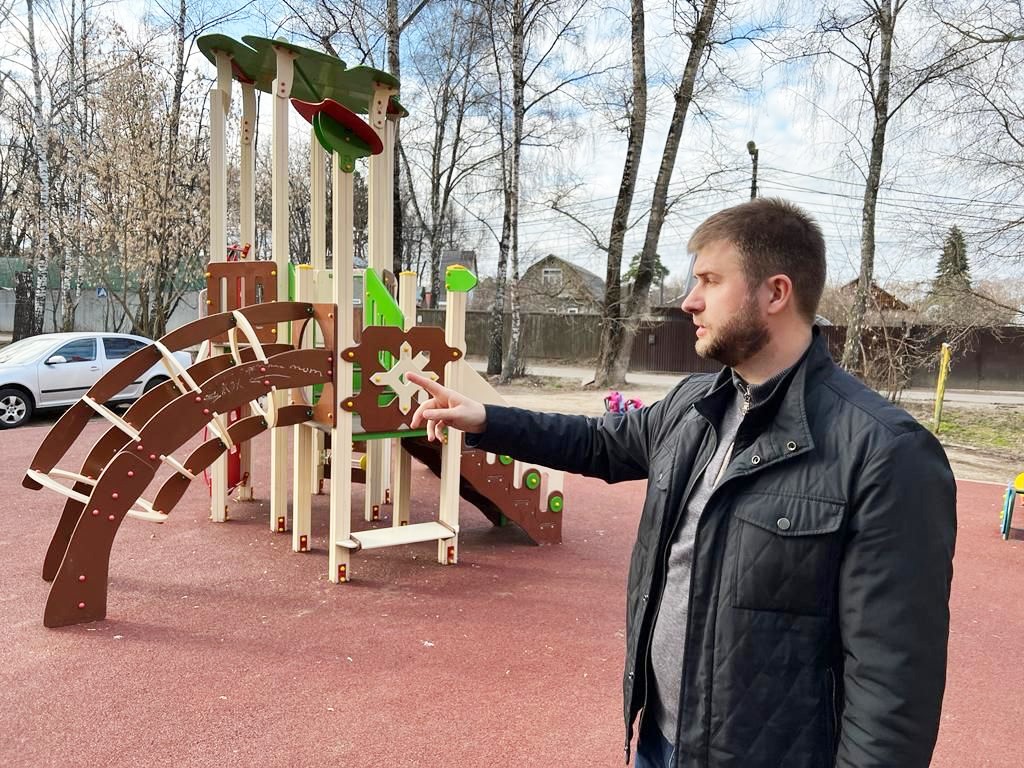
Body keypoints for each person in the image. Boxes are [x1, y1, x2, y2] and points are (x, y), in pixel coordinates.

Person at [408, 197, 956, 768]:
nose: (689, 301)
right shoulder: (695, 404)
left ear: (775, 293)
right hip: (660, 741)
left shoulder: (886, 453)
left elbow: (892, 685)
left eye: (709, 281)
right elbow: (598, 442)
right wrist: (486, 419)